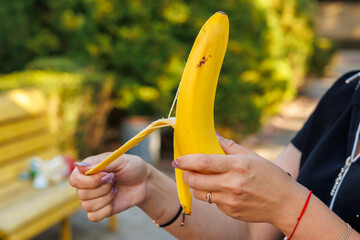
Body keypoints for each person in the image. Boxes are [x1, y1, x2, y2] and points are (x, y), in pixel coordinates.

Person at [70, 70, 360, 240]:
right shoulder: (345, 93)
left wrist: (288, 206)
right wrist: (148, 186)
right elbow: (251, 231)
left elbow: (282, 207)